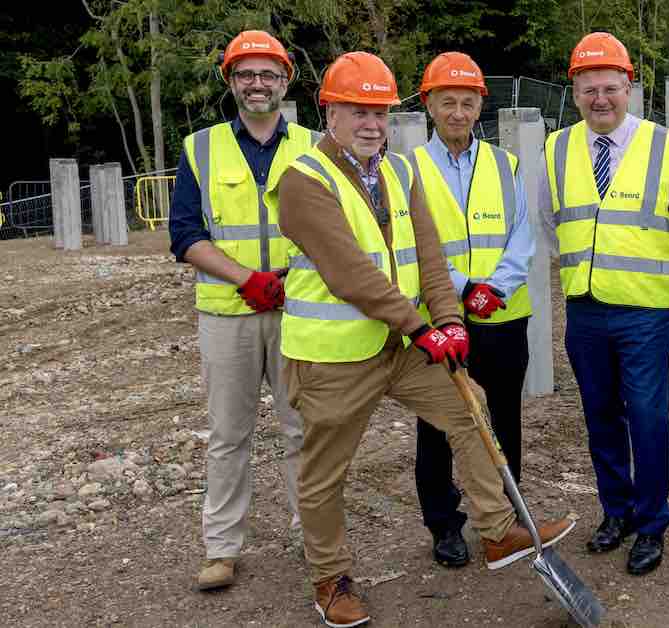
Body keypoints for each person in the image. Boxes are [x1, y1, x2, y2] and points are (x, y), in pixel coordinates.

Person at [271, 51, 573, 627]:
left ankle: (494, 530)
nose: (371, 123)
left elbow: (429, 259)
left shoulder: (399, 172)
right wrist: (421, 327)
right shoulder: (302, 181)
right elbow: (348, 272)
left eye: (380, 112)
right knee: (325, 470)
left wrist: (450, 320)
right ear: (328, 113)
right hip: (334, 356)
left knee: (469, 406)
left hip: (401, 347)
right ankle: (330, 579)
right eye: (357, 111)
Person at [535, 32, 669, 576]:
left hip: (645, 312)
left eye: (610, 88)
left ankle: (652, 522)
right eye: (589, 90)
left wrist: (650, 267)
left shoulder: (665, 145)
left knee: (649, 417)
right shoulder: (556, 148)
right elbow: (550, 223)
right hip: (584, 307)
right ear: (575, 91)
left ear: (629, 88)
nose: (600, 99)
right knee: (600, 416)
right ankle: (617, 511)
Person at [168, 30, 320, 591]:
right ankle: (222, 548)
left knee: (302, 429)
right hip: (226, 313)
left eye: (268, 74)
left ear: (286, 81)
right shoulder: (200, 148)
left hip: (300, 309)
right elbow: (185, 234)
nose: (258, 84)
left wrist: (290, 280)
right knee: (228, 436)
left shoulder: (314, 145)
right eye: (246, 74)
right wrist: (246, 280)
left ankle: (315, 537)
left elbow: (338, 229)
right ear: (231, 82)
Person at [407, 52, 534, 569]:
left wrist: (494, 288)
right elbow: (411, 244)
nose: (458, 113)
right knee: (439, 426)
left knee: (503, 419)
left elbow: (522, 236)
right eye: (447, 103)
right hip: (443, 318)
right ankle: (445, 525)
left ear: (480, 105)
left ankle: (505, 518)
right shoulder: (407, 168)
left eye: (467, 102)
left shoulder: (505, 164)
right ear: (429, 106)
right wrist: (463, 289)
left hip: (502, 317)